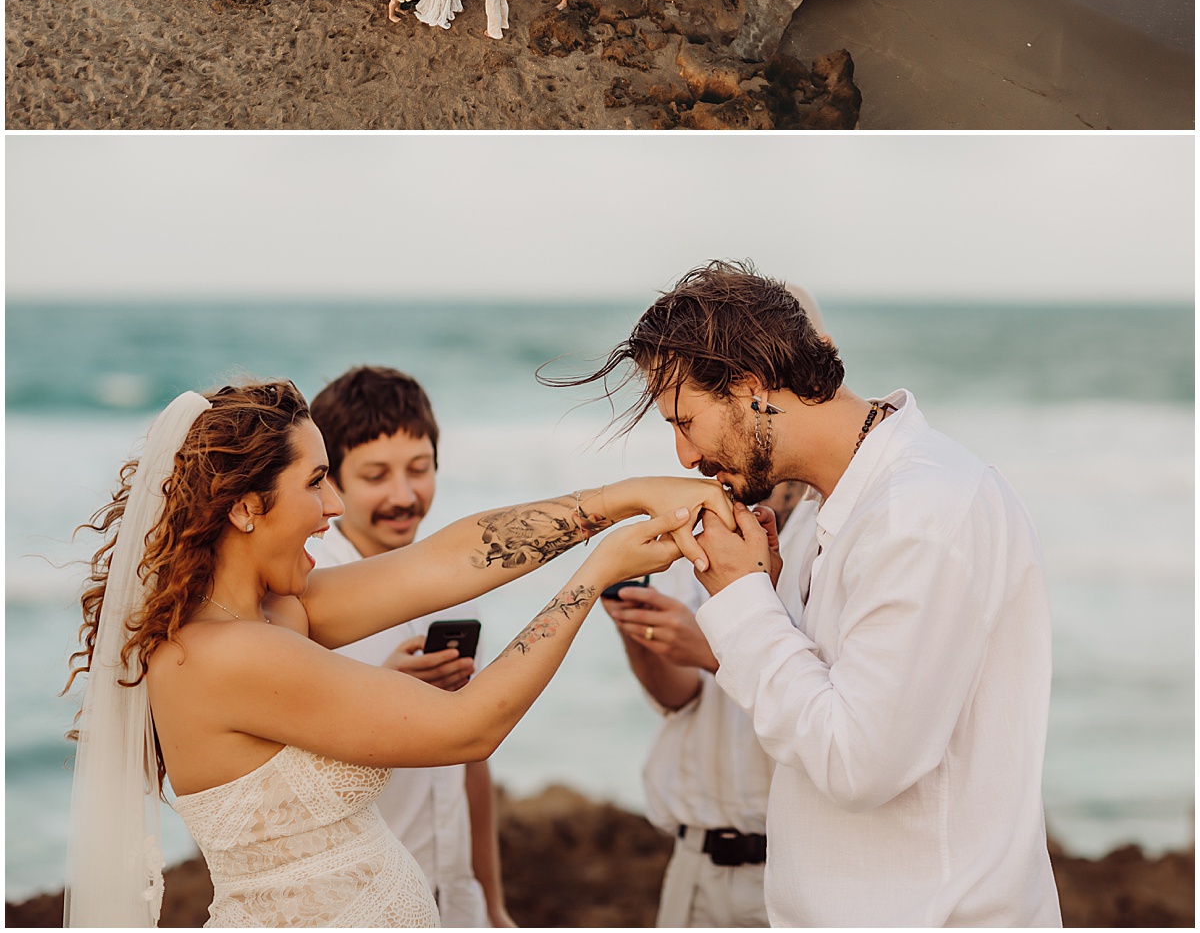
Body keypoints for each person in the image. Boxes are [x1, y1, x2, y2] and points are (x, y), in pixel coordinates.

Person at [63, 380, 734, 928]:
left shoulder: (280, 611)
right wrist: (594, 575)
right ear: (244, 508)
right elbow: (469, 727)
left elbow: (451, 559)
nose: (334, 506)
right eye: (317, 481)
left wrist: (626, 498)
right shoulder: (222, 654)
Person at [558, 262, 1062, 929]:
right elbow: (818, 706)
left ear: (748, 385)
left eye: (685, 420)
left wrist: (741, 599)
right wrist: (766, 594)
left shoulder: (922, 513)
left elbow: (860, 763)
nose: (683, 456)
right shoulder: (846, 509)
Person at [308, 366, 513, 927]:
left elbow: (468, 759)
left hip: (454, 899)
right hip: (359, 906)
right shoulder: (305, 598)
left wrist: (490, 904)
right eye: (376, 475)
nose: (404, 495)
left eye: (419, 470)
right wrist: (384, 696)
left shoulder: (444, 587)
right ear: (331, 483)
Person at [603, 481, 812, 928]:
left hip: (796, 867)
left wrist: (712, 647)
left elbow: (835, 704)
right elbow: (679, 698)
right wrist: (639, 635)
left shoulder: (830, 529)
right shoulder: (705, 525)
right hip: (694, 863)